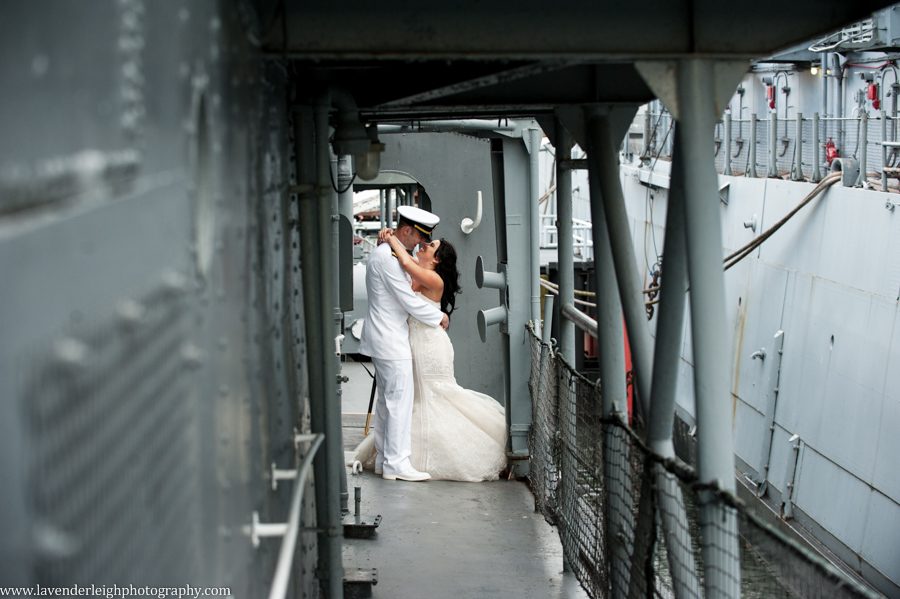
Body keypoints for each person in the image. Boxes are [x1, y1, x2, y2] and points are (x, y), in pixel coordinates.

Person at [355, 224, 508, 482]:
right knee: (411, 398)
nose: (424, 245)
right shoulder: (413, 271)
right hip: (410, 341)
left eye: (430, 246)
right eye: (424, 241)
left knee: (433, 395)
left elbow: (403, 261)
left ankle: (404, 459)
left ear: (436, 259)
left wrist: (392, 239)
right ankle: (395, 458)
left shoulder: (431, 277)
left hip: (429, 345)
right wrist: (389, 238)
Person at [358, 205, 449, 482]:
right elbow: (407, 300)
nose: (420, 244)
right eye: (418, 238)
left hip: (386, 338)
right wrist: (438, 316)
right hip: (390, 340)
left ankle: (386, 460)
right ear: (407, 230)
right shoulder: (387, 257)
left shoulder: (389, 253)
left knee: (388, 403)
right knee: (399, 402)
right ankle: (397, 463)